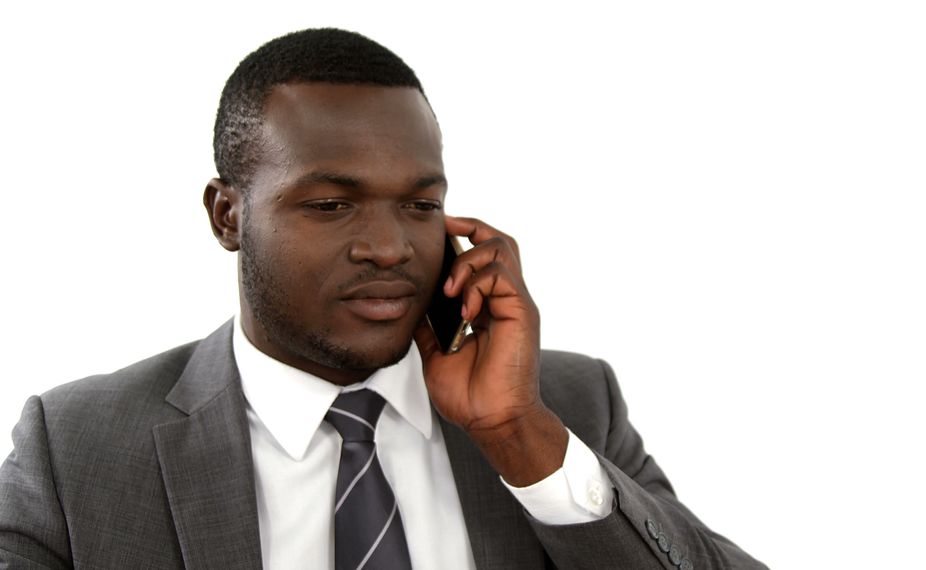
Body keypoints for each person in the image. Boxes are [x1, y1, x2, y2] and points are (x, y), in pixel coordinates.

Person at [0, 28, 766, 570]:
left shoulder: (566, 405)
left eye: (420, 205)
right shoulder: (80, 446)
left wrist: (524, 443)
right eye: (332, 205)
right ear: (227, 215)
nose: (389, 247)